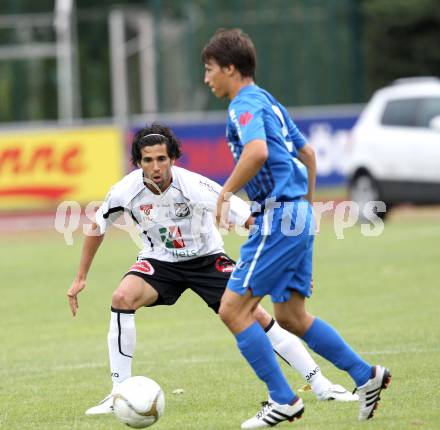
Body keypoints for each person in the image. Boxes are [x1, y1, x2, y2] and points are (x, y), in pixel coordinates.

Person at [67, 123, 356, 416]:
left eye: (162, 159)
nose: (155, 167)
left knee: (255, 315)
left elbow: (252, 222)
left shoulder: (196, 186)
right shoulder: (125, 190)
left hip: (208, 260)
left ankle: (321, 383)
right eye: (148, 160)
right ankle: (119, 392)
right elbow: (97, 225)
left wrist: (290, 266)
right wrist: (80, 277)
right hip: (160, 261)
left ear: (173, 158)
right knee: (121, 298)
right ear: (138, 162)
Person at [202, 28, 391, 428]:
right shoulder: (269, 100)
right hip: (296, 216)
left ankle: (283, 399)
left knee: (233, 309)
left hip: (278, 218)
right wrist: (304, 205)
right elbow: (306, 152)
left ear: (230, 69)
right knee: (290, 316)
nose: (207, 79)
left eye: (210, 69)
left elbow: (257, 151)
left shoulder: (243, 105)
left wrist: (225, 193)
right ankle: (365, 376)